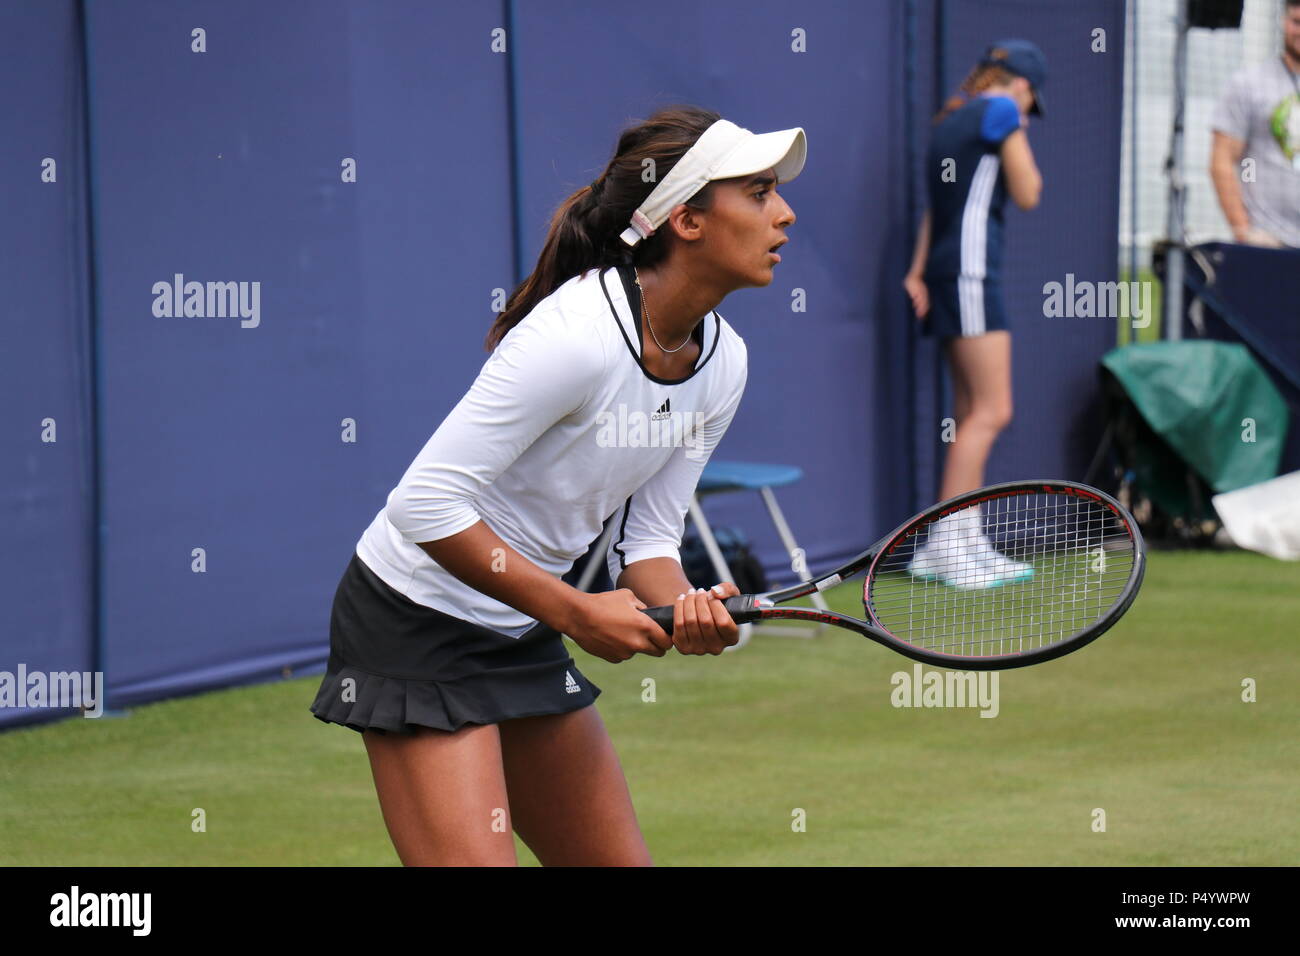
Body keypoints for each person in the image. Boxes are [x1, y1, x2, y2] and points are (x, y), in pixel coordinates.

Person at [310, 105, 805, 866]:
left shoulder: (724, 364)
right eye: (761, 192)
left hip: (522, 621)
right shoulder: (574, 338)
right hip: (417, 618)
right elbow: (424, 505)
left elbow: (647, 542)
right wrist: (577, 612)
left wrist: (688, 608)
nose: (785, 213)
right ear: (688, 220)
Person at [902, 40, 1045, 589]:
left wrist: (916, 272)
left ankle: (965, 538)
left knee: (970, 413)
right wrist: (1020, 133)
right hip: (970, 274)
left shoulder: (953, 116)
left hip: (947, 273)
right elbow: (1029, 191)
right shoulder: (1004, 111)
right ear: (1021, 87)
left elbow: (935, 212)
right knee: (992, 410)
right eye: (1032, 101)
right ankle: (944, 543)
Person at [1209, 0, 1300, 249]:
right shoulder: (1250, 84)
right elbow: (1222, 159)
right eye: (1296, 22)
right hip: (1269, 241)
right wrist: (1243, 231)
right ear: (1284, 22)